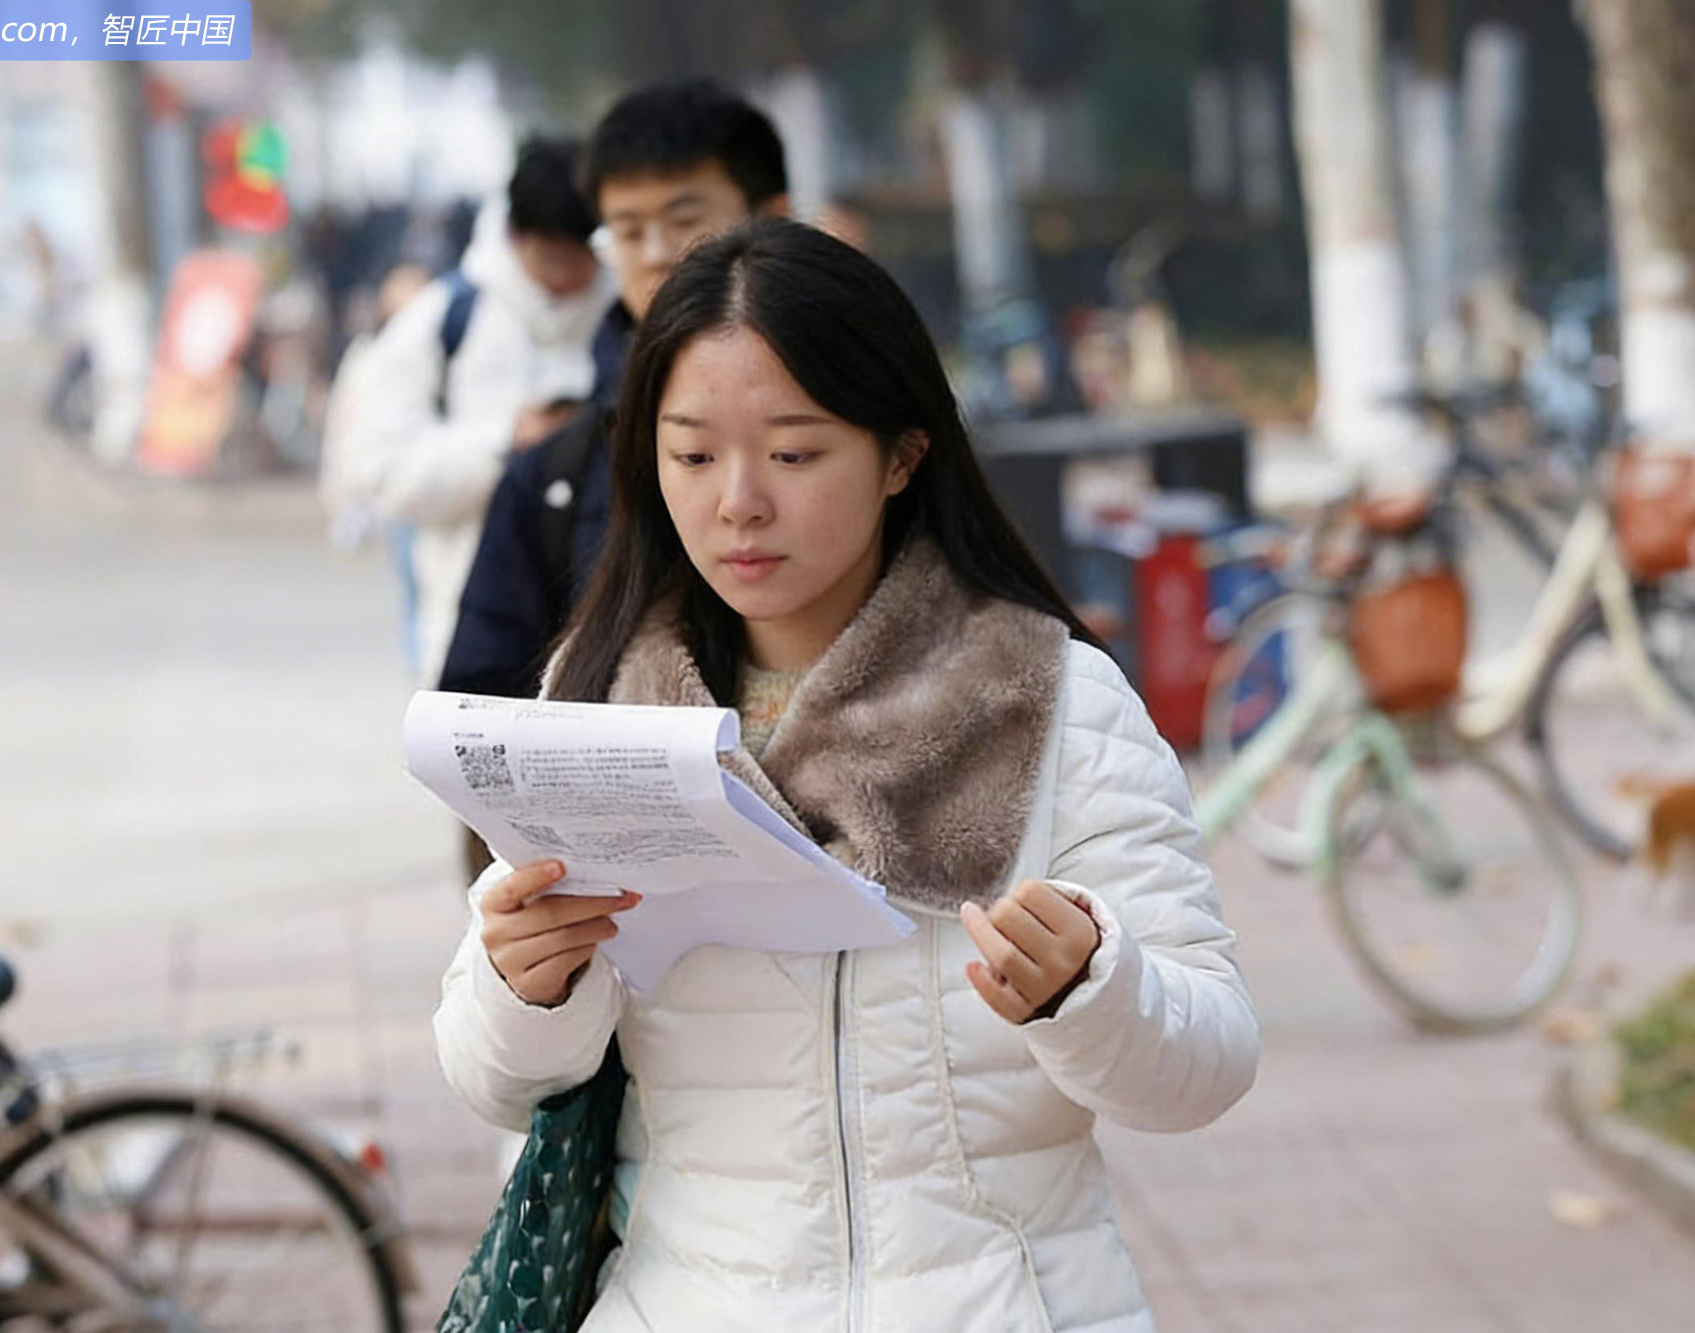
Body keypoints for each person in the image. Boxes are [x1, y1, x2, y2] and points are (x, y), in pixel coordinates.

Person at [434, 220, 1259, 1331]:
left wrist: (1089, 991)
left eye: (791, 452)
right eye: (690, 454)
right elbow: (493, 1081)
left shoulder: (1051, 698)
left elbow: (1204, 1063)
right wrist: (523, 983)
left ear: (901, 454)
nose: (736, 502)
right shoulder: (592, 712)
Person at [437, 79, 790, 701]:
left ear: (773, 216)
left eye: (686, 220)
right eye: (626, 231)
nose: (655, 254)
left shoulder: (864, 412)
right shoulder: (554, 474)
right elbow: (478, 720)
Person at [320, 137, 615, 686]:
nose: (572, 274)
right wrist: (508, 443)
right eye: (553, 256)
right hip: (470, 622)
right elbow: (374, 469)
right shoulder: (444, 319)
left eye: (587, 255)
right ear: (514, 234)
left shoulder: (628, 316)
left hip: (606, 634)